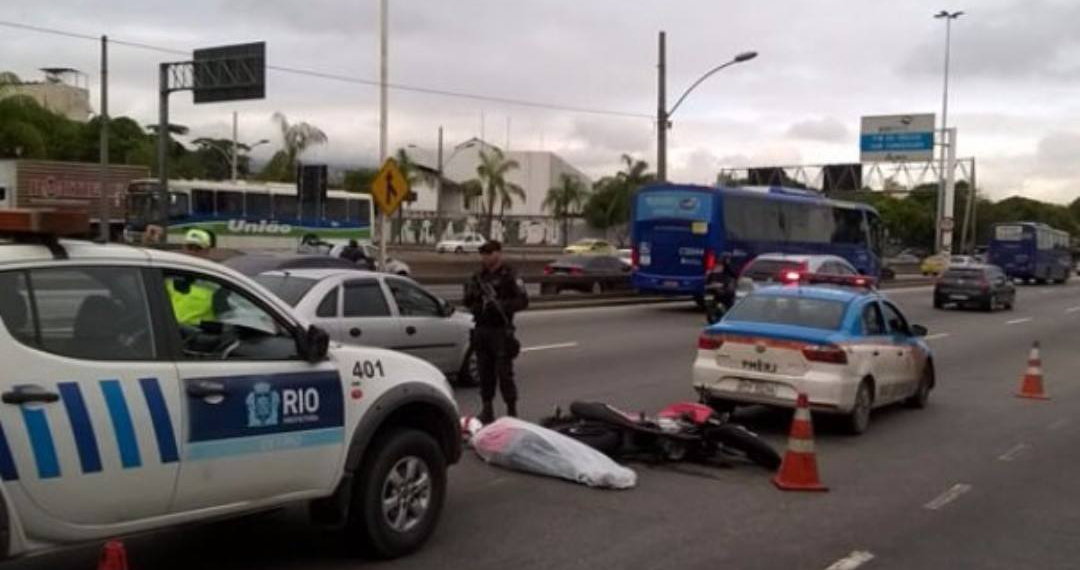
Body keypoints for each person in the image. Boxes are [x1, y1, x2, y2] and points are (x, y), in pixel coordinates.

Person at [463, 240, 529, 424]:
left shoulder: (510, 275)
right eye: (483, 254)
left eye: (489, 253)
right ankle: (487, 410)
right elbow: (467, 301)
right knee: (485, 373)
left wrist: (501, 305)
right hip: (482, 329)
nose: (485, 257)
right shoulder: (478, 277)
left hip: (501, 330)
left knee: (504, 373)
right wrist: (478, 302)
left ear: (498, 253)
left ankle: (511, 412)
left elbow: (523, 301)